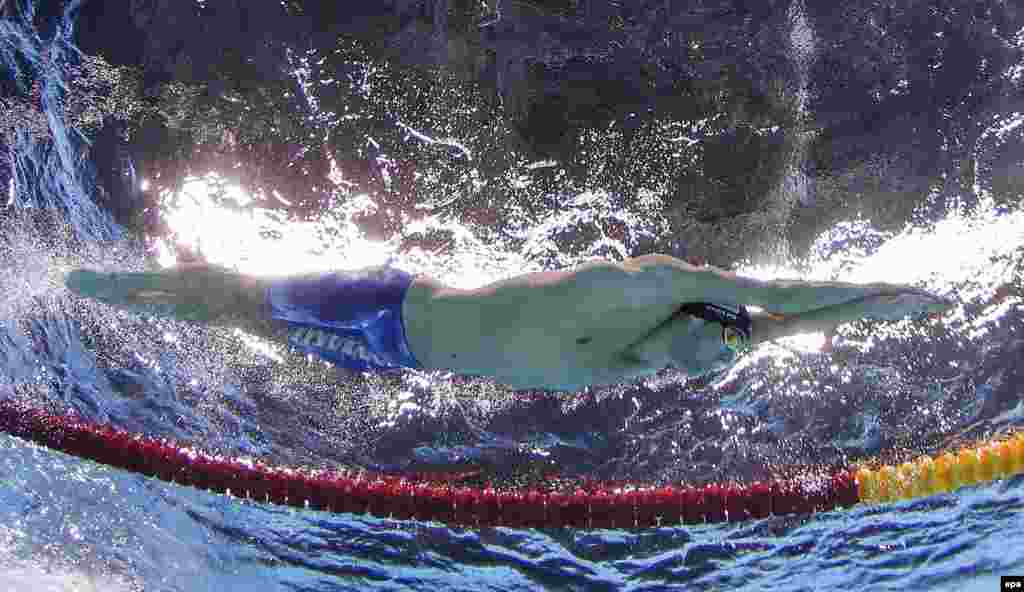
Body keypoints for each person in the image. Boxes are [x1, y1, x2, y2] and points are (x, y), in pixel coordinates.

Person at [65, 254, 952, 391]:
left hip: (393, 356)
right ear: (706, 317)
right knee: (242, 289)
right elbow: (784, 298)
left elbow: (780, 331)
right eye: (720, 347)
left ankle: (147, 300)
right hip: (387, 300)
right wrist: (889, 295)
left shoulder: (636, 366)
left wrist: (868, 324)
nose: (712, 368)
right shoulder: (648, 287)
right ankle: (123, 278)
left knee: (247, 329)